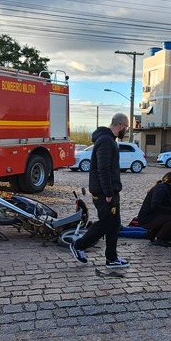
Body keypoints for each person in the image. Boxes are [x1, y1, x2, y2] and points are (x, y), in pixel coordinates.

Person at [70, 113, 130, 269]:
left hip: (110, 192)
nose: (126, 130)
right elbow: (103, 169)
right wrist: (108, 192)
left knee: (114, 225)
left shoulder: (109, 140)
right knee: (106, 223)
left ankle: (112, 258)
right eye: (127, 127)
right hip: (104, 193)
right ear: (121, 125)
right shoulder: (105, 141)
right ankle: (78, 245)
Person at [136, 172, 171, 247]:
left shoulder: (166, 189)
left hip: (153, 216)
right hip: (147, 218)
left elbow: (166, 206)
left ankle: (155, 235)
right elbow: (155, 206)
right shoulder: (161, 189)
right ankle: (158, 238)